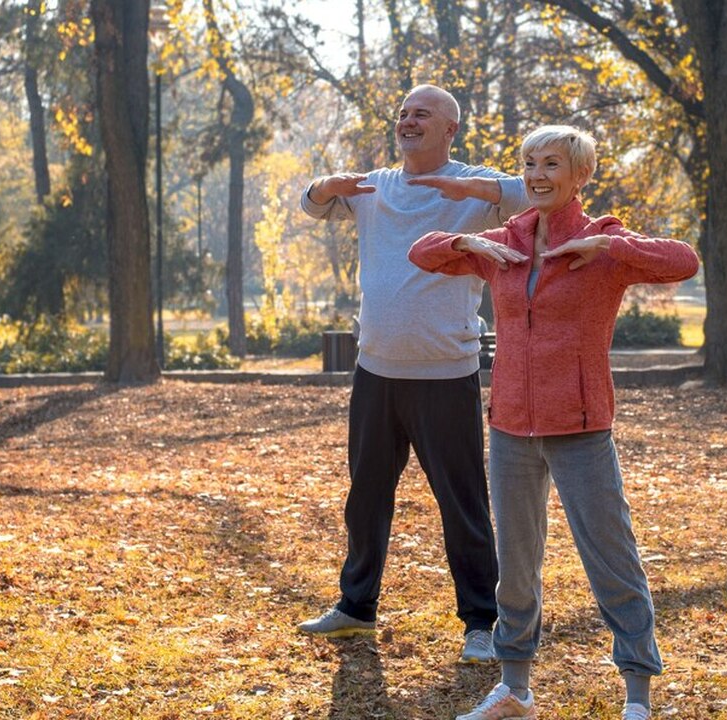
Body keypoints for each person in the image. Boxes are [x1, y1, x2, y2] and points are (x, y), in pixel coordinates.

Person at [408, 125, 700, 720]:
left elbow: (683, 261)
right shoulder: (505, 242)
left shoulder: (602, 243)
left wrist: (611, 251)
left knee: (611, 557)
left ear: (579, 176)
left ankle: (638, 692)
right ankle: (515, 689)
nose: (538, 175)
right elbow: (423, 251)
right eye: (530, 164)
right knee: (515, 565)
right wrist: (471, 247)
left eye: (552, 165)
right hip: (511, 426)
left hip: (581, 427)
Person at [295, 84, 529, 664]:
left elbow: (539, 193)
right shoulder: (376, 186)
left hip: (446, 374)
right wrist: (326, 186)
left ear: (450, 128)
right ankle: (355, 607)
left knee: (463, 504)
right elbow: (311, 204)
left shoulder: (478, 186)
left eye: (421, 113)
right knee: (366, 496)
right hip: (375, 370)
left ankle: (482, 622)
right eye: (402, 113)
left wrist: (470, 188)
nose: (407, 120)